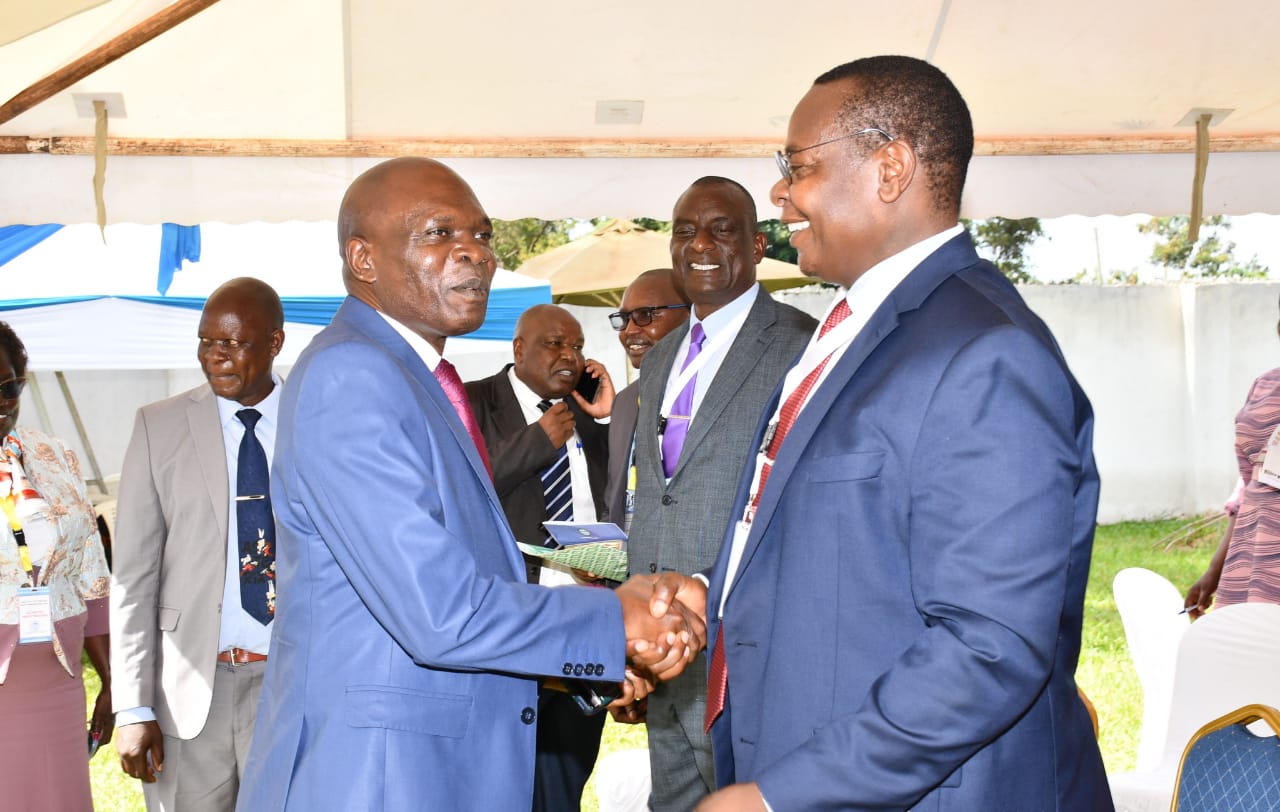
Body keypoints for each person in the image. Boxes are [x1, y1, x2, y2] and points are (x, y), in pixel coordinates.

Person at [668, 55, 1111, 810]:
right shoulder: (851, 328)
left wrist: (780, 796)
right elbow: (850, 542)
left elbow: (988, 644)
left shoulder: (986, 354)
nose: (779, 192)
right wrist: (716, 591)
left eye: (798, 166)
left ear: (890, 168)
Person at [236, 156, 703, 811]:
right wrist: (614, 619)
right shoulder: (352, 377)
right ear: (364, 259)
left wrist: (588, 666)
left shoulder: (412, 378)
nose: (476, 253)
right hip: (379, 782)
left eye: (481, 235)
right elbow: (440, 611)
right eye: (439, 233)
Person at [626, 177, 816, 811]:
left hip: (747, 650)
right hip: (666, 649)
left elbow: (802, 504)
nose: (700, 244)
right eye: (685, 231)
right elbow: (662, 494)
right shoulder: (660, 358)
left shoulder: (801, 345)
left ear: (757, 245)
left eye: (721, 229)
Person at [110, 277, 286, 811]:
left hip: (290, 684)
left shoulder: (317, 420)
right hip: (189, 693)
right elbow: (133, 576)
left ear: (274, 343)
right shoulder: (158, 426)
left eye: (232, 343)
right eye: (206, 342)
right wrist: (133, 707)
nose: (214, 356)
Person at [464, 303, 614, 811]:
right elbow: (461, 490)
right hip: (511, 618)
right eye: (555, 344)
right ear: (519, 349)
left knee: (566, 775)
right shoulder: (472, 401)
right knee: (500, 779)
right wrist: (536, 441)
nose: (569, 356)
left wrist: (612, 415)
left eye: (577, 346)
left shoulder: (588, 412)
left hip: (583, 618)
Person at [0, 320, 112, 812]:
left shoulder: (54, 454)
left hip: (58, 679)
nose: (2, 403)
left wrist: (111, 679)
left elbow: (91, 567)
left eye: (9, 388)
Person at [1185, 300, 1280, 616]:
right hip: (1253, 559)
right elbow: (1250, 486)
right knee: (1251, 643)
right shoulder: (1265, 386)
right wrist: (1215, 570)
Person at [602, 268, 691, 533]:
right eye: (623, 319)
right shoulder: (624, 402)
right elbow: (614, 501)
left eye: (645, 315)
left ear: (691, 316)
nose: (629, 331)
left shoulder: (708, 394)